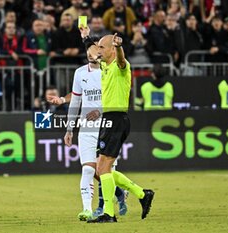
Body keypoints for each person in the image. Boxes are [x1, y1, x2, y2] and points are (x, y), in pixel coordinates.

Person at [81, 28, 154, 223]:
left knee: (103, 168)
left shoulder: (122, 65)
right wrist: (86, 37)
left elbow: (121, 61)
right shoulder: (104, 65)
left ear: (112, 49)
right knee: (101, 169)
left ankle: (108, 213)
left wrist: (120, 47)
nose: (98, 52)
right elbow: (91, 52)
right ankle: (141, 194)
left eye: (102, 48)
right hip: (109, 120)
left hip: (116, 119)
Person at [49, 45, 128, 220]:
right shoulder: (79, 73)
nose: (92, 54)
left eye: (96, 51)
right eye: (89, 51)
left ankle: (109, 202)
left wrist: (99, 111)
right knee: (88, 170)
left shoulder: (108, 71)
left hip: (108, 125)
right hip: (86, 128)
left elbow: (115, 97)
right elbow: (76, 101)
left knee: (105, 171)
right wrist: (69, 129)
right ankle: (87, 209)